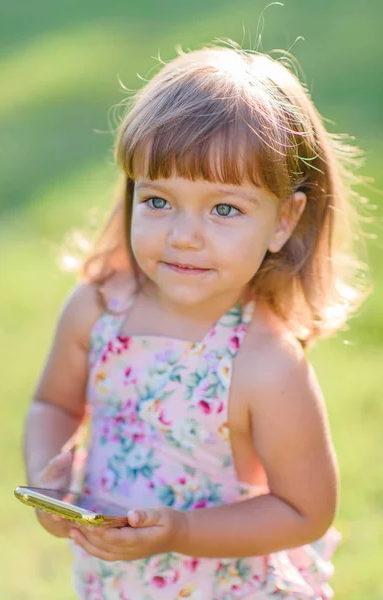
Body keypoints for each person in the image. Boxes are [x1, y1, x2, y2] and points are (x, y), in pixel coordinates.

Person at [23, 41, 369, 599]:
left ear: (284, 219)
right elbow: (54, 405)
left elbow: (305, 510)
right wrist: (48, 476)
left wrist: (180, 532)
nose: (184, 234)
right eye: (158, 201)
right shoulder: (97, 310)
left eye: (224, 209)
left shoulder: (264, 362)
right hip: (117, 584)